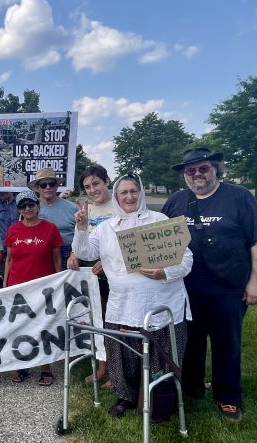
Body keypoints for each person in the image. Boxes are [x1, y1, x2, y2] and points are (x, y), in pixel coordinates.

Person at [162, 147, 257, 422]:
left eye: (203, 168)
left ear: (215, 169)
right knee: (191, 343)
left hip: (228, 286)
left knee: (227, 343)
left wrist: (256, 281)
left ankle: (228, 397)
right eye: (191, 170)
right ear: (184, 175)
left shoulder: (239, 197)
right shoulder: (176, 201)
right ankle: (192, 387)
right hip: (186, 289)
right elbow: (158, 239)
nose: (197, 174)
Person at [72, 174, 192, 419]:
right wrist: (82, 227)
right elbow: (84, 251)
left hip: (160, 303)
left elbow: (187, 259)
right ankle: (124, 396)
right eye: (123, 193)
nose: (129, 197)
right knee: (123, 354)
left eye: (133, 191)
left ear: (141, 193)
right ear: (116, 197)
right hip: (123, 305)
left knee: (160, 355)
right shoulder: (107, 227)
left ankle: (159, 399)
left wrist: (163, 272)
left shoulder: (159, 220)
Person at [4, 189, 63, 386]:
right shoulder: (13, 230)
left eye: (31, 204)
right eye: (22, 205)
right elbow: (9, 258)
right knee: (20, 327)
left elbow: (56, 258)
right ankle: (21, 364)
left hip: (44, 288)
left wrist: (59, 283)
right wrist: (5, 285)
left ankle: (45, 368)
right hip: (18, 287)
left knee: (43, 327)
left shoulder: (50, 229)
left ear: (38, 206)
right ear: (18, 209)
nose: (27, 208)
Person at [68, 164, 115, 385]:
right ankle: (103, 366)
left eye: (96, 183)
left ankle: (117, 369)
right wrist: (73, 253)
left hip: (114, 273)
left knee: (114, 322)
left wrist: (106, 261)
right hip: (90, 273)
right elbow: (82, 237)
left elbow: (129, 241)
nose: (92, 190)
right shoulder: (88, 209)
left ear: (107, 181)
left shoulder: (120, 205)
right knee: (98, 320)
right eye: (87, 186)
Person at [30, 168, 77, 266]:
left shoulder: (72, 208)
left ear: (56, 186)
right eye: (43, 185)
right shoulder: (30, 208)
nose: (48, 187)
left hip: (68, 255)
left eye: (51, 184)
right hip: (40, 255)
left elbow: (81, 234)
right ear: (37, 188)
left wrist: (75, 254)